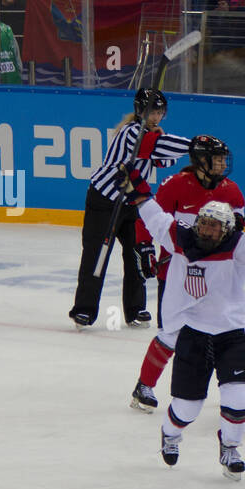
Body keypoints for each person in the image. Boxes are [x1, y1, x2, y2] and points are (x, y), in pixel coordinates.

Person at [138, 179, 245, 479]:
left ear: (227, 230)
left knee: (239, 399)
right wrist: (137, 191)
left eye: (214, 227)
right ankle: (171, 434)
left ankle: (229, 446)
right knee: (187, 409)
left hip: (231, 335)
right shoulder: (179, 237)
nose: (206, 230)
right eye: (203, 224)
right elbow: (154, 216)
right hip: (193, 335)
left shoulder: (238, 247)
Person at [131, 135, 245, 411]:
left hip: (217, 277)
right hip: (177, 274)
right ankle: (144, 385)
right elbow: (152, 219)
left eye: (222, 158)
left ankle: (242, 380)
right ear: (200, 161)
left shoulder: (232, 192)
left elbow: (237, 236)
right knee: (172, 333)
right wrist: (145, 247)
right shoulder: (175, 186)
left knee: (229, 327)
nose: (222, 163)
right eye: (216, 158)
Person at [68, 89, 191, 329]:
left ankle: (135, 309)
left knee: (137, 253)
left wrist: (160, 137)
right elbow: (161, 148)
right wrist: (194, 146)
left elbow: (165, 159)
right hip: (105, 200)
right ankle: (84, 309)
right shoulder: (132, 132)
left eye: (159, 112)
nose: (156, 117)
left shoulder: (150, 134)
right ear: (140, 111)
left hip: (133, 202)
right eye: (152, 112)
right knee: (97, 255)